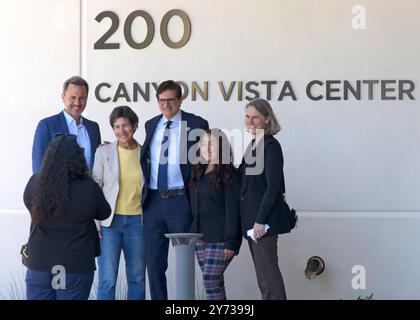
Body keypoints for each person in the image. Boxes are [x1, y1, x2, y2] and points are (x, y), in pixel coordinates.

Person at [140, 80, 209, 300]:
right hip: (153, 202)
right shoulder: (151, 124)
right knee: (154, 263)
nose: (166, 105)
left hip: (181, 201)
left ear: (180, 100)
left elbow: (207, 157)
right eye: (162, 100)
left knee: (184, 260)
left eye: (170, 100)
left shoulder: (197, 123)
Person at [23, 135, 111, 300]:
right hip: (75, 265)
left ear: (49, 157)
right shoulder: (89, 188)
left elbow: (29, 205)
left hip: (40, 263)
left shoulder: (35, 183)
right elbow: (104, 213)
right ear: (78, 158)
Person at [239, 98, 291, 300]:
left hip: (262, 225)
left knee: (269, 280)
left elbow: (273, 188)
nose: (250, 122)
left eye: (255, 118)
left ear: (267, 119)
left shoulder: (270, 146)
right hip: (253, 224)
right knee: (264, 279)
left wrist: (260, 220)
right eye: (247, 117)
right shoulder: (253, 144)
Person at [92, 106, 146, 300]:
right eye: (116, 126)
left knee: (137, 278)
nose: (121, 131)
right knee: (108, 278)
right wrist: (96, 222)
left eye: (125, 125)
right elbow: (95, 188)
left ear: (134, 126)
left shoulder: (145, 153)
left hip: (137, 224)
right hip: (109, 224)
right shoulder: (103, 152)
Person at [188, 129, 241, 300]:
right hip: (200, 237)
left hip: (221, 238)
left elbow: (233, 209)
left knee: (210, 280)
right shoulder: (198, 171)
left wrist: (230, 241)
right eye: (204, 143)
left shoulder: (229, 173)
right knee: (215, 282)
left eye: (212, 144)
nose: (207, 147)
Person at [32, 76, 101, 173]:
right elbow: (38, 168)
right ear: (63, 98)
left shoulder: (93, 128)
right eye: (73, 97)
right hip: (59, 188)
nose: (77, 103)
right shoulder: (47, 126)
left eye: (82, 98)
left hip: (89, 187)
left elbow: (98, 165)